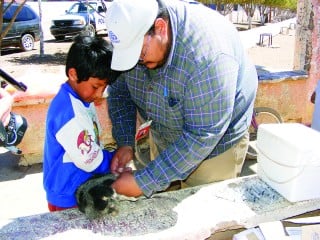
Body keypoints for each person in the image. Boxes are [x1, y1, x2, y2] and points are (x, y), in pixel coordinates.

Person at [106, 0, 258, 197]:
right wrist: (125, 142)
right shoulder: (129, 33)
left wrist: (144, 182)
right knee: (162, 201)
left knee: (204, 211)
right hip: (166, 128)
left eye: (141, 53)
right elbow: (120, 92)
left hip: (214, 144)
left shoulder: (208, 57)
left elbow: (202, 135)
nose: (136, 62)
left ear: (160, 28)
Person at [43, 35, 120, 211]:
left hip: (79, 184)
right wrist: (114, 160)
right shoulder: (68, 114)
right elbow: (91, 160)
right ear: (73, 74)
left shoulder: (82, 98)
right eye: (95, 86)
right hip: (68, 195)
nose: (100, 94)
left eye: (104, 87)